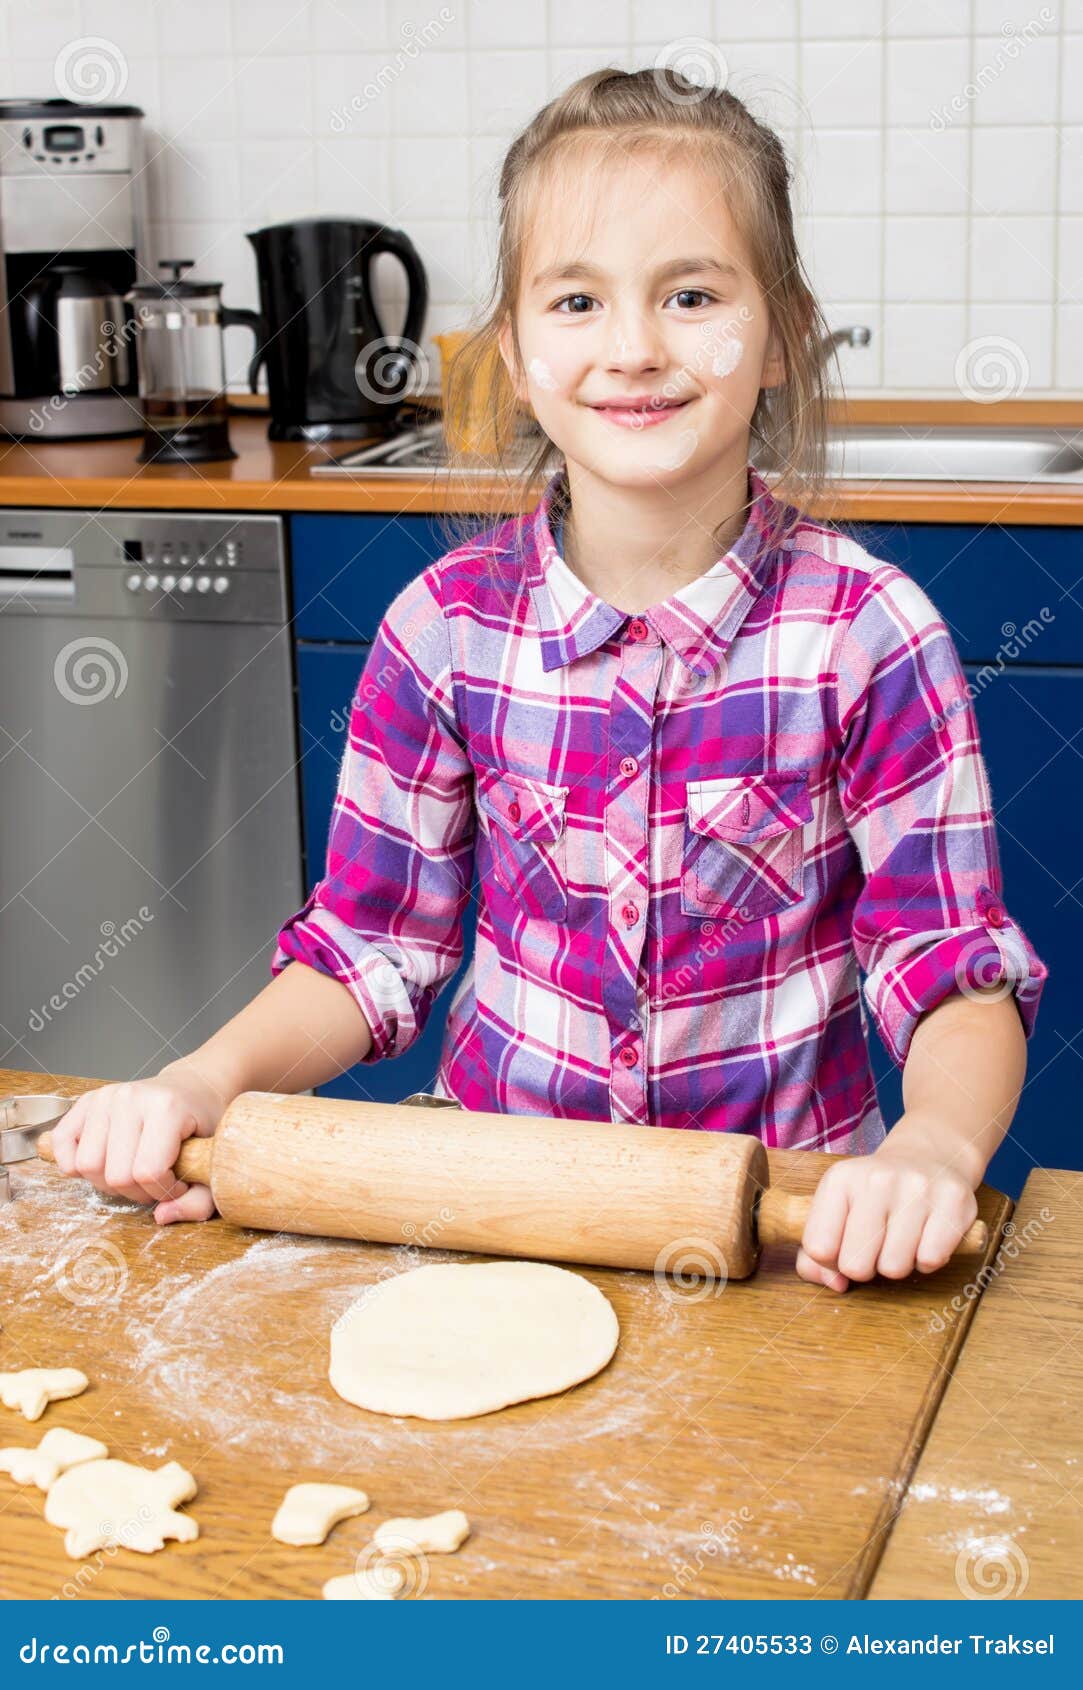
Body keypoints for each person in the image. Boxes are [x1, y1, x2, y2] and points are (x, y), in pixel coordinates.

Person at [49, 67, 1047, 1292]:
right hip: (498, 1211)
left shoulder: (871, 635)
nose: (634, 348)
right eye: (578, 300)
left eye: (691, 294)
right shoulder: (443, 632)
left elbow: (948, 962)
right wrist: (201, 1081)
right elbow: (371, 947)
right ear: (513, 356)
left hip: (786, 1249)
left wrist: (936, 1147)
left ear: (782, 332)